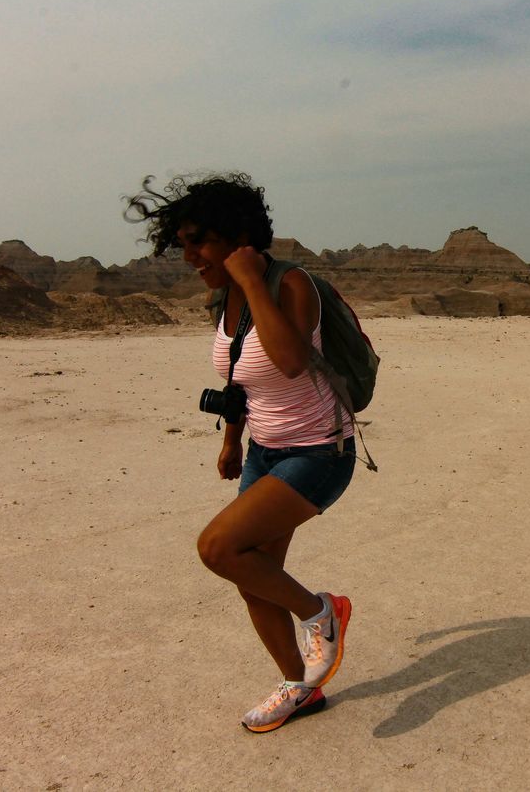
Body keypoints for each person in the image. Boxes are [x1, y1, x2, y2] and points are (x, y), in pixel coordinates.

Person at [125, 172, 356, 731]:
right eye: (182, 244)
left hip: (319, 452)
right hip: (264, 450)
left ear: (238, 236)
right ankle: (301, 687)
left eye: (200, 241)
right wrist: (232, 440)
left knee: (218, 548)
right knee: (253, 577)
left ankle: (322, 612)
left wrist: (253, 282)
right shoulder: (224, 300)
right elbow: (242, 380)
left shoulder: (288, 284)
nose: (190, 256)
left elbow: (291, 362)